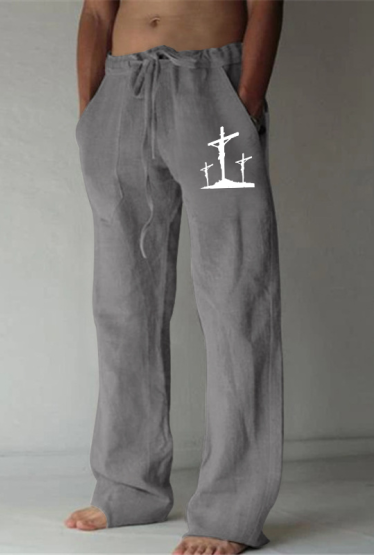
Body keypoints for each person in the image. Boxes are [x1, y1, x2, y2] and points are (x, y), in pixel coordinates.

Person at [65, 0, 284, 553]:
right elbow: (97, 13)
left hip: (214, 92)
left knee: (236, 299)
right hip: (122, 93)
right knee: (122, 305)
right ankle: (128, 488)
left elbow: (265, 6)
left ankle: (230, 511)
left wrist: (245, 101)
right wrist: (91, 110)